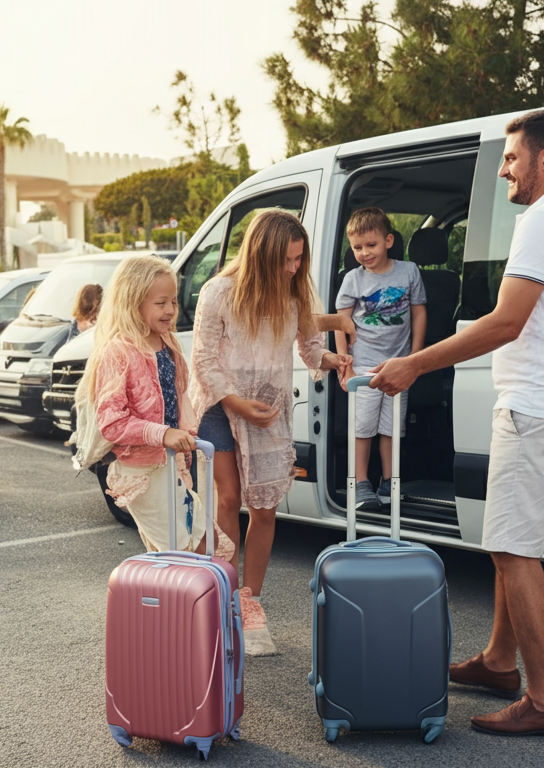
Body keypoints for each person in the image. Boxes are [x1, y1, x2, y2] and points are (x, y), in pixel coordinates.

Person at [368, 110, 544, 737]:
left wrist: (414, 363)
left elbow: (505, 322)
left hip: (536, 408)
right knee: (509, 542)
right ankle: (499, 662)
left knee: (513, 550)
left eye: (511, 158)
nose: (502, 171)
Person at [188, 209, 353, 656]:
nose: (294, 268)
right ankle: (225, 600)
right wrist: (236, 402)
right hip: (221, 404)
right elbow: (203, 361)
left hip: (269, 407)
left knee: (264, 509)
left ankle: (250, 602)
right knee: (228, 499)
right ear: (261, 255)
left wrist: (332, 360)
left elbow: (310, 347)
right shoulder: (219, 291)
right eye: (287, 260)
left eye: (299, 259)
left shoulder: (294, 289)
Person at [81, 255, 203, 554]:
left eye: (173, 301)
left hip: (173, 463)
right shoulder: (118, 351)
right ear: (133, 303)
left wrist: (188, 431)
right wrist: (163, 434)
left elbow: (179, 395)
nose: (171, 310)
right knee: (185, 550)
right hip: (142, 471)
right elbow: (113, 422)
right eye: (161, 303)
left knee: (200, 542)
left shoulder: (168, 342)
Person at [333, 206, 426, 511]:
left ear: (388, 241)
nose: (364, 253)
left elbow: (418, 313)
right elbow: (340, 323)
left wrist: (416, 358)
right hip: (364, 366)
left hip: (400, 365)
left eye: (371, 245)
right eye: (357, 248)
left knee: (392, 428)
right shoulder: (353, 279)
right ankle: (360, 482)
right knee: (362, 428)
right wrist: (345, 364)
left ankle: (389, 481)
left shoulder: (408, 272)